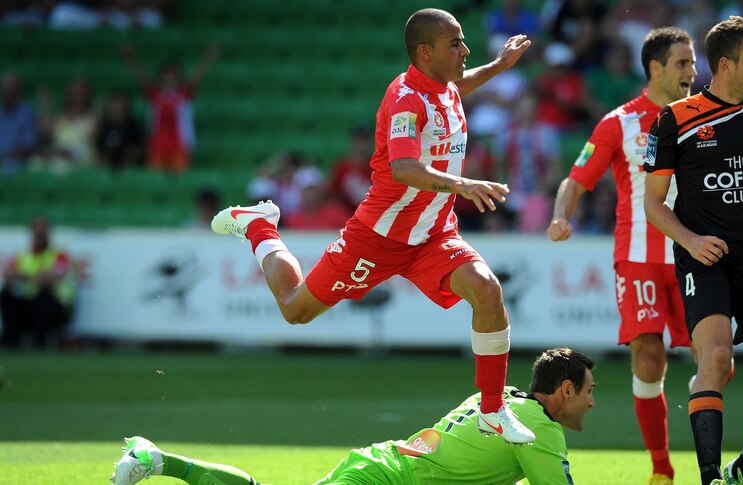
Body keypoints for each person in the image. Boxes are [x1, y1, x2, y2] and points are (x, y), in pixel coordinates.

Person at [211, 8, 535, 444]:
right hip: (378, 236)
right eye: (455, 43)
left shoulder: (443, 87)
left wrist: (498, 65)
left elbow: (461, 85)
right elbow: (402, 167)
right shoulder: (405, 98)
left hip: (433, 234)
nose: (466, 50)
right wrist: (463, 183)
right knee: (294, 309)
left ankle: (492, 411)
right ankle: (260, 227)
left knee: (487, 290)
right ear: (425, 51)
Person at [643, 16, 743, 485]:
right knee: (715, 359)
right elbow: (653, 204)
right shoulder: (674, 119)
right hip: (704, 257)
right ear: (725, 64)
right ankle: (710, 476)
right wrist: (692, 240)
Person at [548, 27, 696, 485]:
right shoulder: (619, 123)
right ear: (655, 68)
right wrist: (560, 216)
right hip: (637, 259)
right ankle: (662, 469)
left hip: (695, 253)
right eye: (683, 64)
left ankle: (710, 438)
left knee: (719, 362)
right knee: (649, 359)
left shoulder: (707, 117)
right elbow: (576, 179)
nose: (693, 73)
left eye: (694, 63)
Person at [110, 347, 596, 485]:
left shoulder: (502, 398)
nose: (593, 403)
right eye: (589, 392)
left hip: (379, 464)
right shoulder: (540, 434)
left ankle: (158, 461)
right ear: (566, 390)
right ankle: (156, 459)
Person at [121, 41, 220, 172]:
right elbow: (141, 76)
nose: (169, 80)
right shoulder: (155, 95)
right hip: (157, 145)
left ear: (178, 79)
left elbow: (198, 76)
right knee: (155, 181)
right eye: (166, 77)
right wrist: (130, 56)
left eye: (173, 77)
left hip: (180, 145)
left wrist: (210, 56)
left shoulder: (183, 95)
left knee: (180, 181)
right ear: (161, 79)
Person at [0, 217, 76, 349]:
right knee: (6, 295)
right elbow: (9, 276)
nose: (40, 235)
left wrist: (23, 276)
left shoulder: (59, 254)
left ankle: (39, 342)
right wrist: (36, 277)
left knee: (42, 297)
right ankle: (9, 341)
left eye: (43, 232)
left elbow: (50, 280)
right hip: (27, 303)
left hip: (54, 307)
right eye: (37, 232)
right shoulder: (22, 253)